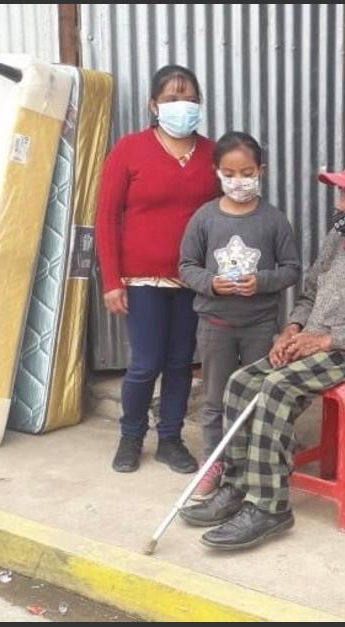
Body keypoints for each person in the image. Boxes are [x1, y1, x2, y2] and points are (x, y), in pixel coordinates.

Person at [178, 160, 345, 550]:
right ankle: (239, 484)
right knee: (242, 382)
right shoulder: (339, 239)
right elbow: (310, 293)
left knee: (278, 387)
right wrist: (294, 328)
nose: (340, 205)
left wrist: (326, 339)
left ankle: (270, 508)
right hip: (313, 341)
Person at [96, 64, 220, 474]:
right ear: (154, 104)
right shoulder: (130, 150)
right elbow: (106, 217)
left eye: (188, 97)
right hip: (142, 280)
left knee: (181, 362)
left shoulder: (212, 154)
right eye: (170, 98)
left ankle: (170, 439)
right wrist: (112, 280)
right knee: (146, 363)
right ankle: (131, 436)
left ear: (199, 104)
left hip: (193, 279)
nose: (180, 105)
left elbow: (227, 214)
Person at [178, 131, 301, 500]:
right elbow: (185, 266)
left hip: (261, 327)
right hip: (215, 326)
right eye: (229, 174)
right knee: (214, 400)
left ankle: (253, 464)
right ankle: (213, 462)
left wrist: (261, 282)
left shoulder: (274, 220)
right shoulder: (204, 218)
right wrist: (212, 283)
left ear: (260, 170)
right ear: (216, 172)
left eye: (246, 173)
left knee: (258, 397)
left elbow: (292, 269)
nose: (238, 182)